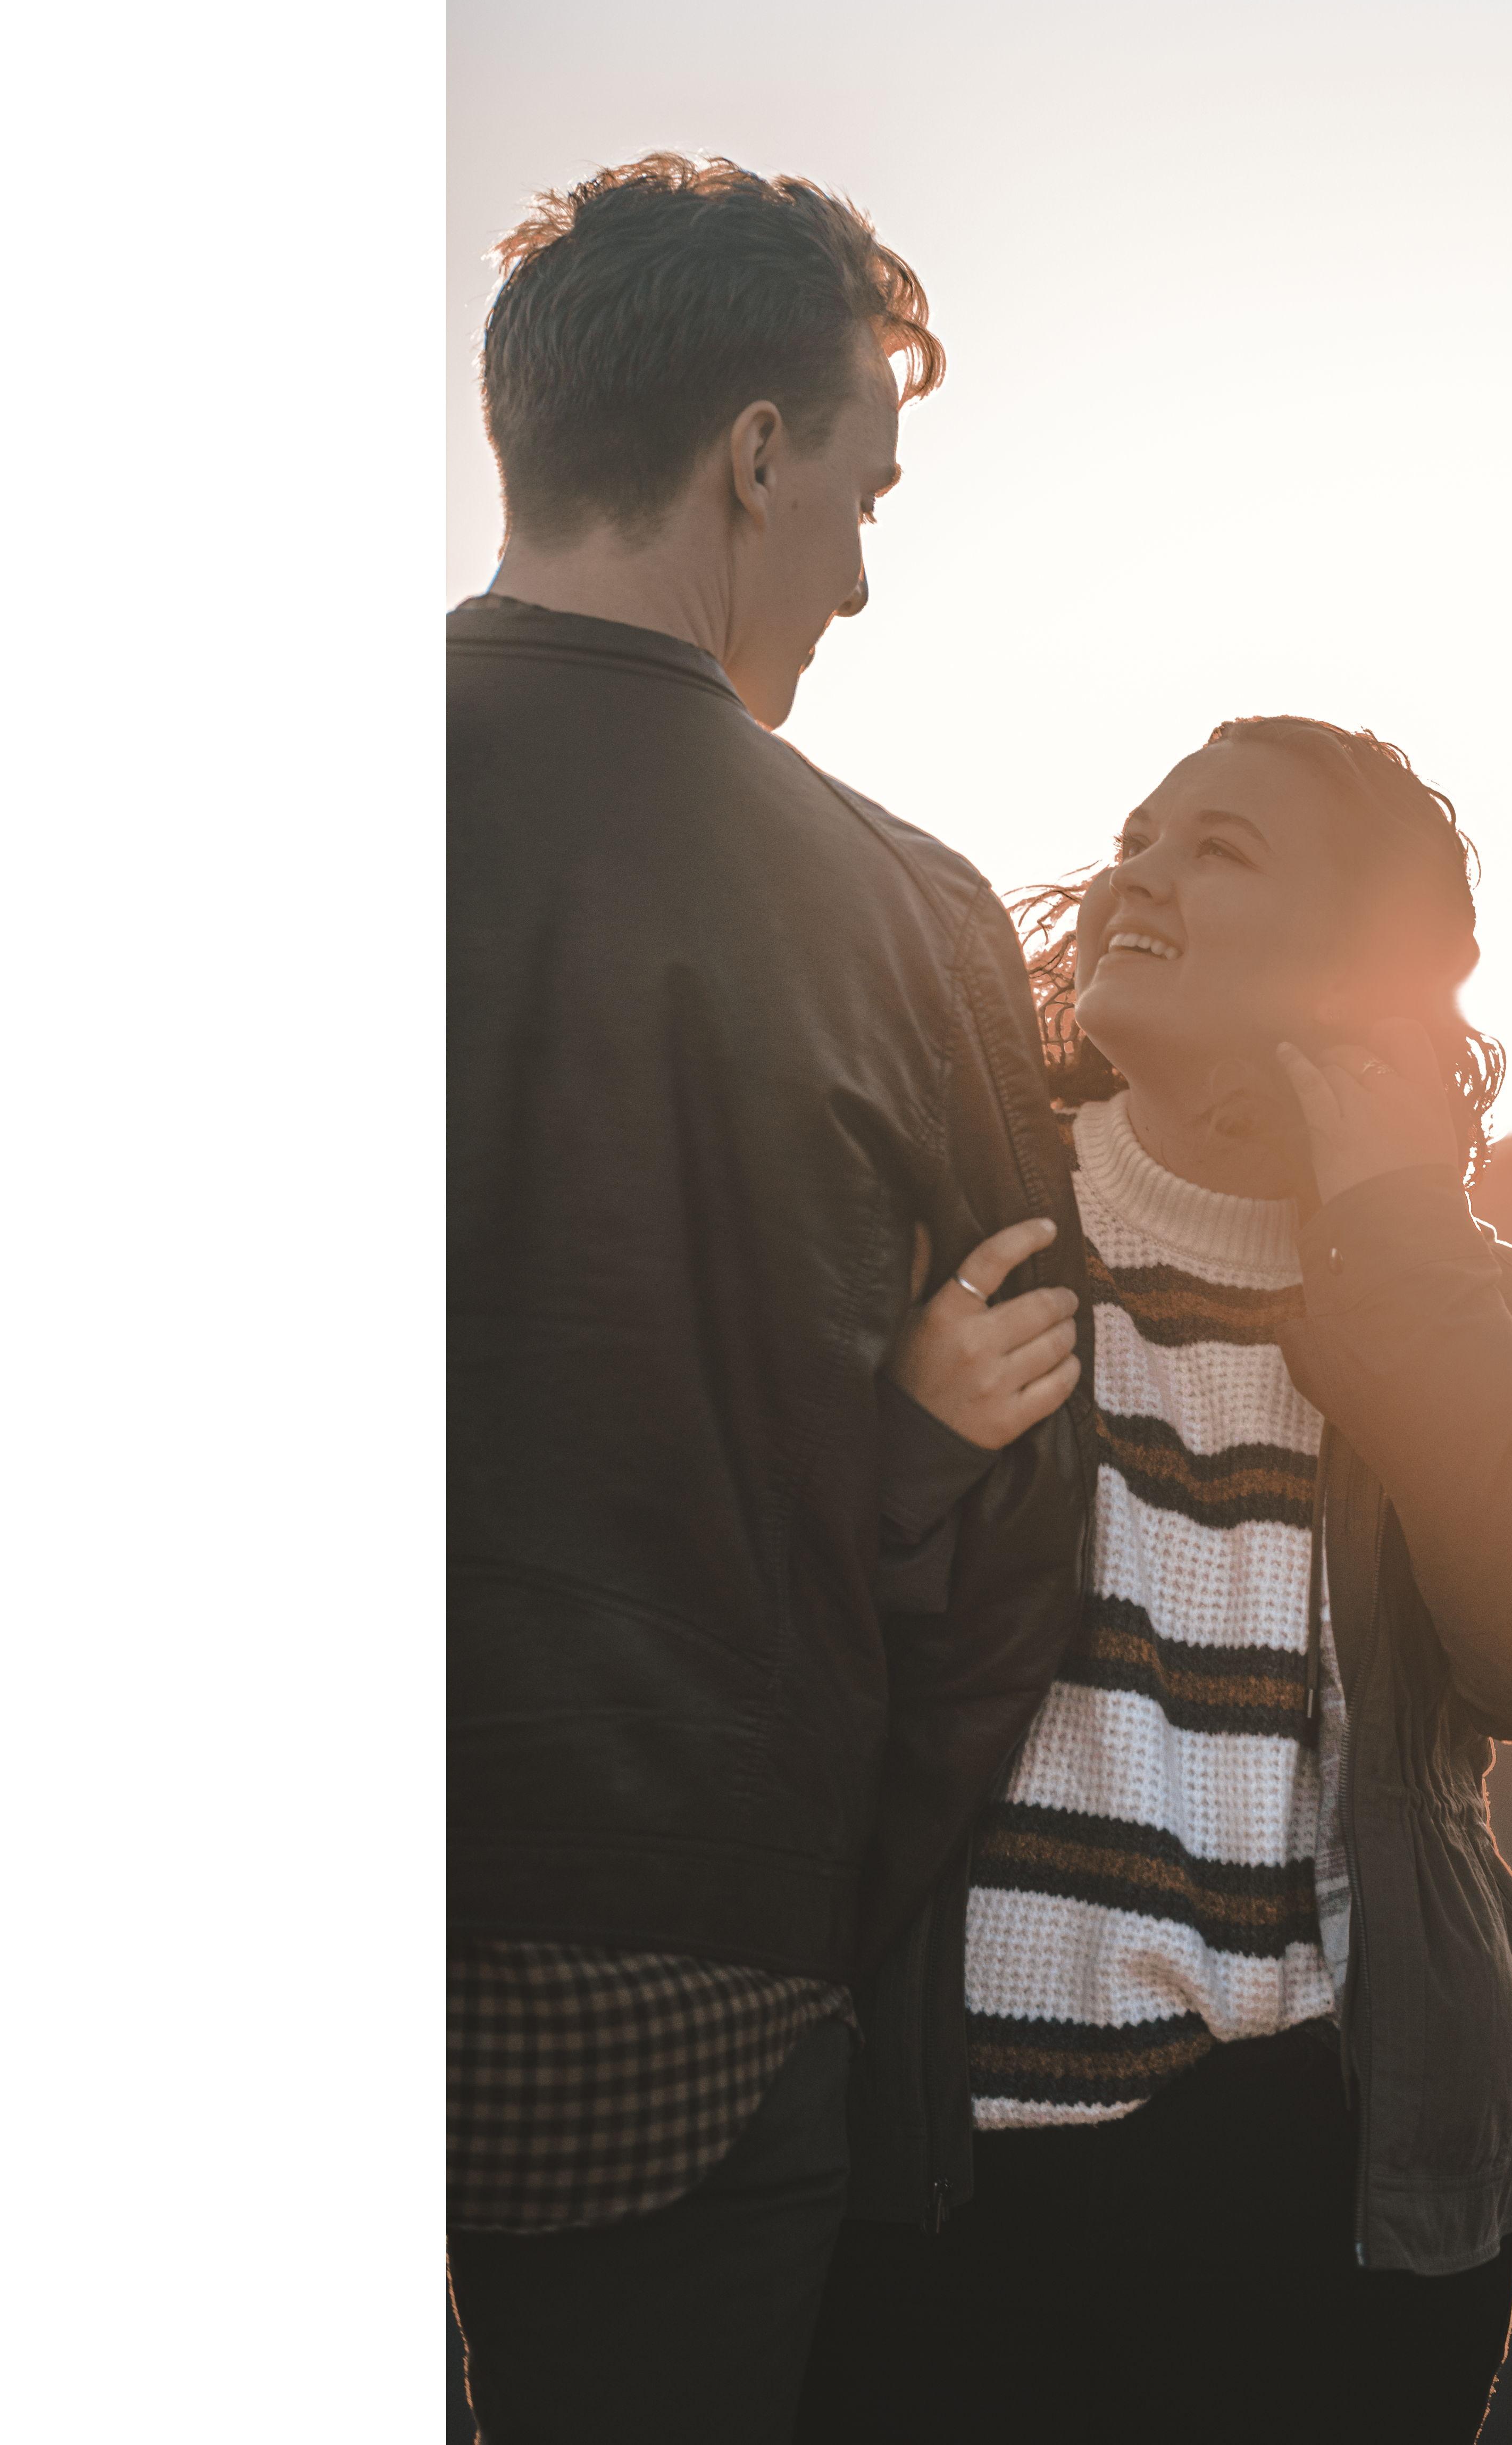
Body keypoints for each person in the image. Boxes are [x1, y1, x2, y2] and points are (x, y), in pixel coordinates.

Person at [797, 718, 1512, 2444]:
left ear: (1361, 966)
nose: (1139, 872)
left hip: (1313, 2195)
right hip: (938, 2167)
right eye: (1137, 834)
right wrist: (905, 1441)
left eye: (1222, 848)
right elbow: (771, 1612)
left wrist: (1400, 1240)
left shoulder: (1508, 1311)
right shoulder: (946, 1230)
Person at [448, 155, 1094, 2444]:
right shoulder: (902, 914)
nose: (858, 567)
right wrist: (821, 1898)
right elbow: (1030, 1525)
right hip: (692, 2002)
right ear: (750, 454)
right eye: (860, 485)